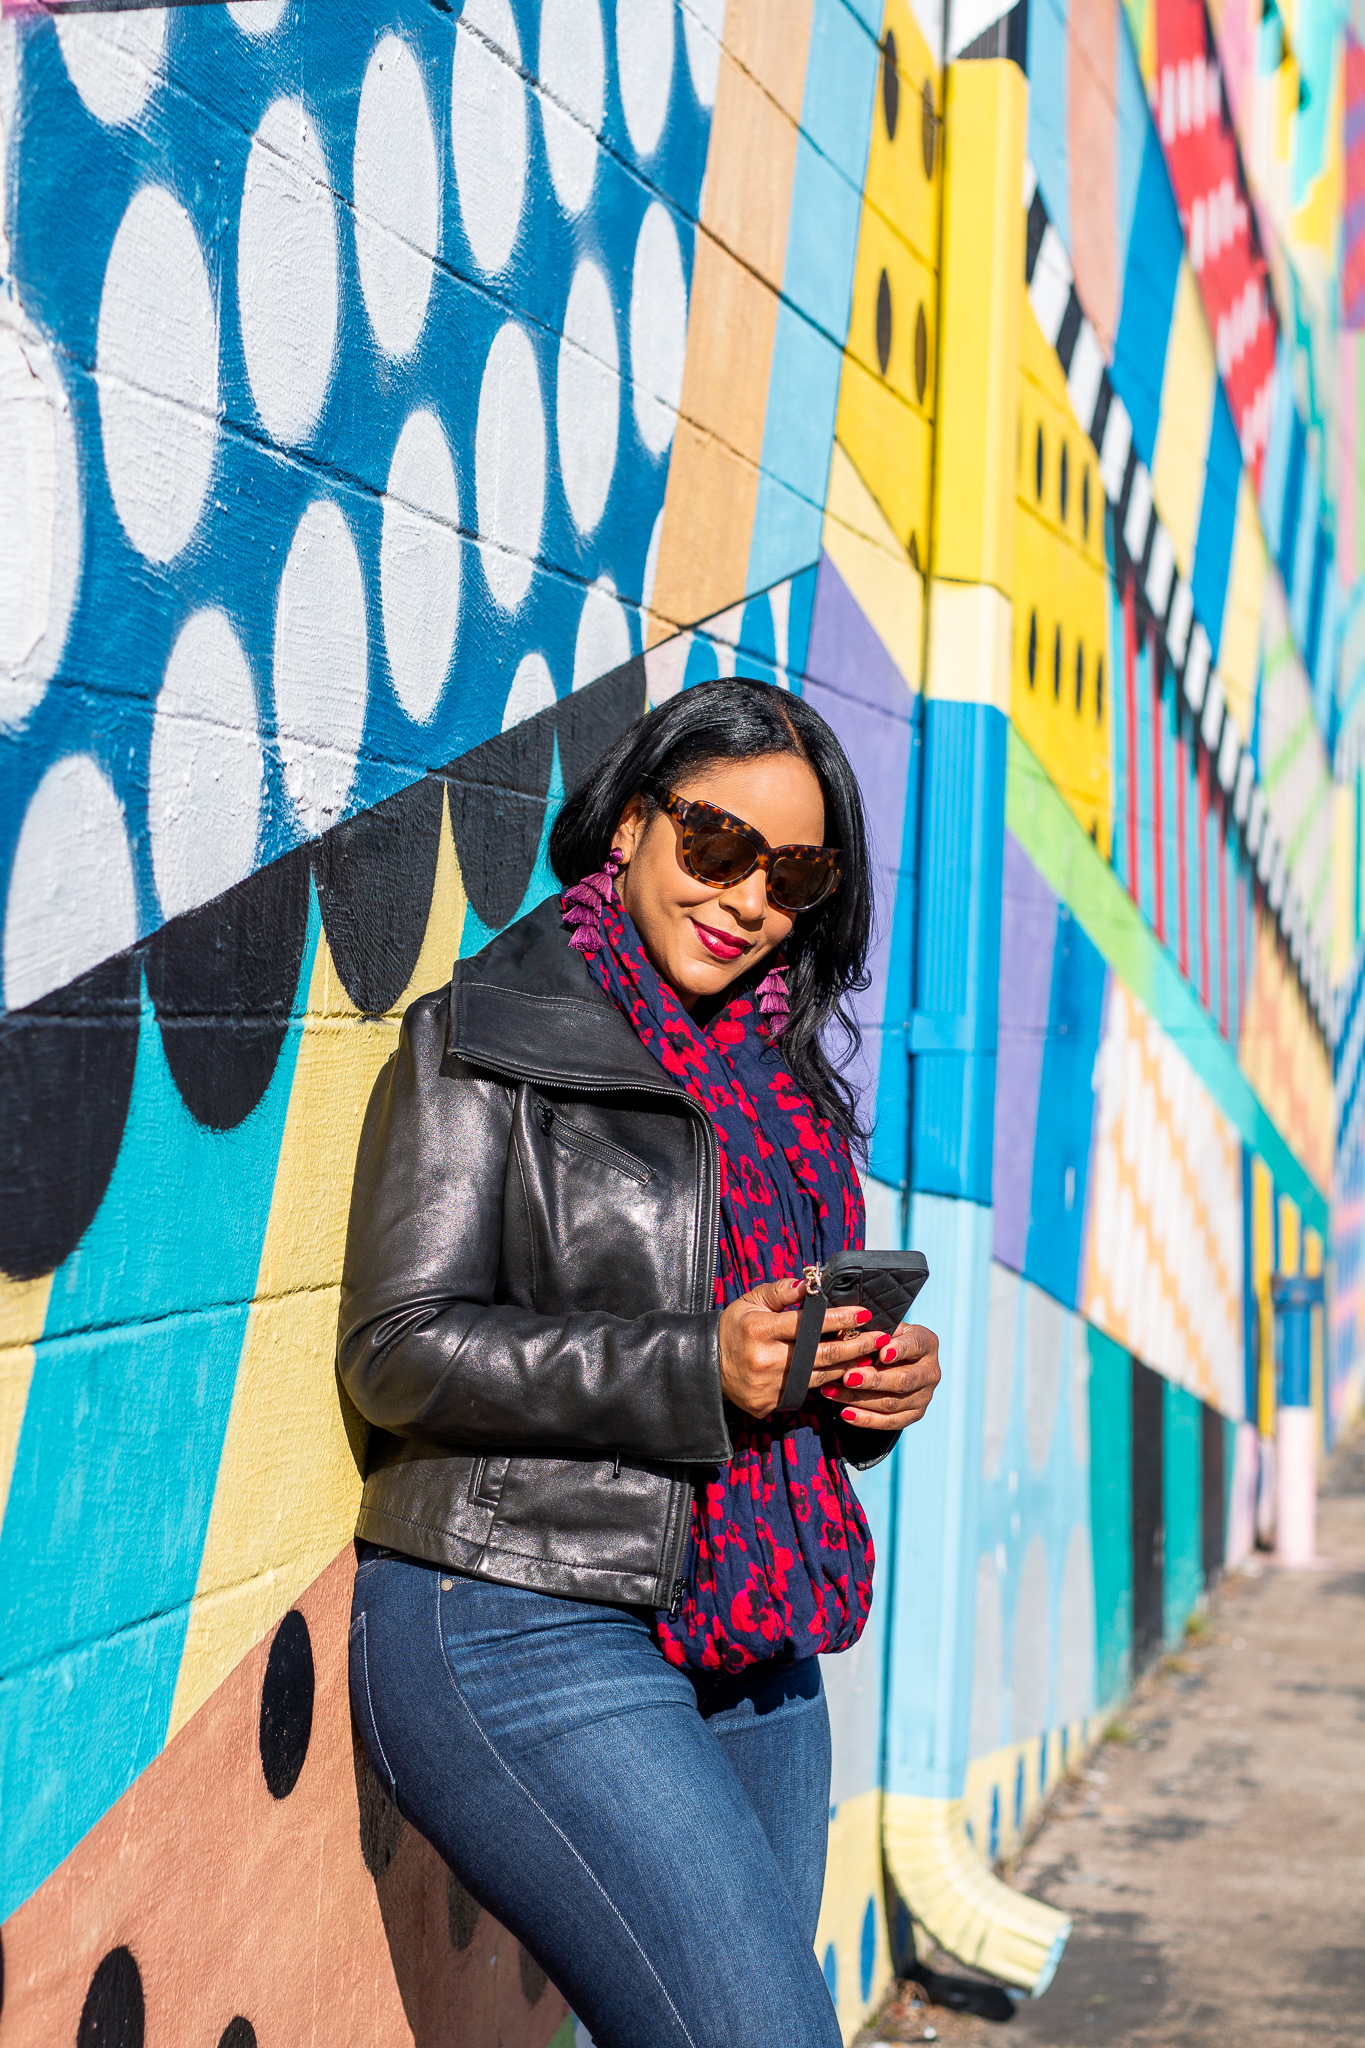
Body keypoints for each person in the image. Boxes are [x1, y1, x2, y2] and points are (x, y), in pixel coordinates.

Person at [339, 678, 941, 2048]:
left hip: (748, 1624)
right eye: (714, 844)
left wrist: (860, 1392)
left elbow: (757, 1364)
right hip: (519, 1602)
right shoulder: (486, 1034)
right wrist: (694, 1369)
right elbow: (395, 1348)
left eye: (792, 875)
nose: (745, 900)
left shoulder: (785, 1089)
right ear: (625, 823)